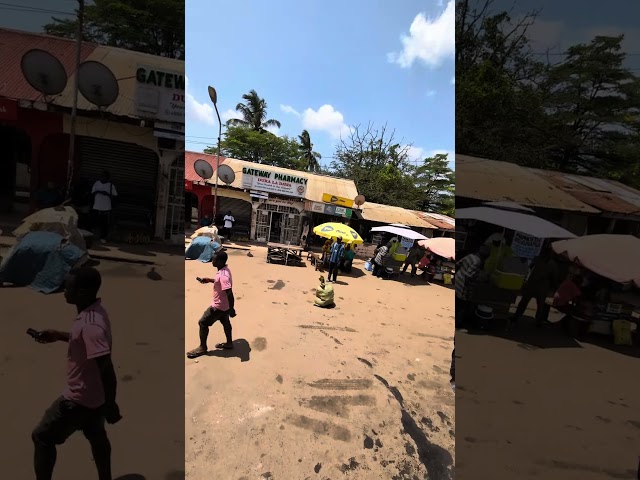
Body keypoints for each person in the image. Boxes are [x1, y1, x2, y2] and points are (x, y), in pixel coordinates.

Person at [30, 267, 121, 480]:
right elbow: (84, 340)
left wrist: (111, 404)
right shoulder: (96, 311)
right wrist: (59, 335)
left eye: (68, 287)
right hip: (95, 398)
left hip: (79, 399)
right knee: (97, 437)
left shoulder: (91, 325)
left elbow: (106, 367)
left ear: (81, 292)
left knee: (42, 437)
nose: (63, 290)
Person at [187, 251, 236, 358]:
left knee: (203, 323)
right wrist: (209, 280)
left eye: (213, 259)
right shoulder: (225, 270)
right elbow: (221, 282)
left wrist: (232, 309)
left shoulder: (223, 276)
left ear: (220, 261)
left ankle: (202, 348)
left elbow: (229, 292)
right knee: (225, 321)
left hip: (218, 306)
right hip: (225, 306)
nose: (211, 260)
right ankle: (229, 343)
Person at [510, 248, 559, 326]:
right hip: (542, 286)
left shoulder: (538, 259)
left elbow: (529, 267)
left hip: (533, 284)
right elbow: (554, 277)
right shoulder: (552, 264)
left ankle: (517, 316)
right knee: (539, 304)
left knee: (525, 301)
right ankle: (538, 320)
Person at [455, 245, 491, 328]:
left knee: (457, 303)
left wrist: (457, 275)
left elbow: (458, 264)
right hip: (463, 284)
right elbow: (468, 276)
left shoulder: (470, 256)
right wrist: (468, 288)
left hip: (458, 280)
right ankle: (458, 323)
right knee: (463, 305)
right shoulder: (477, 262)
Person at [91, 171, 117, 244]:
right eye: (101, 176)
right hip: (96, 206)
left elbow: (115, 196)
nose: (102, 178)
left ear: (107, 178)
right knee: (95, 222)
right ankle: (94, 236)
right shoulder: (97, 183)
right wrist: (98, 192)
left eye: (104, 177)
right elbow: (92, 193)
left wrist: (107, 194)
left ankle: (103, 237)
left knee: (104, 224)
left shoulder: (111, 186)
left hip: (106, 208)